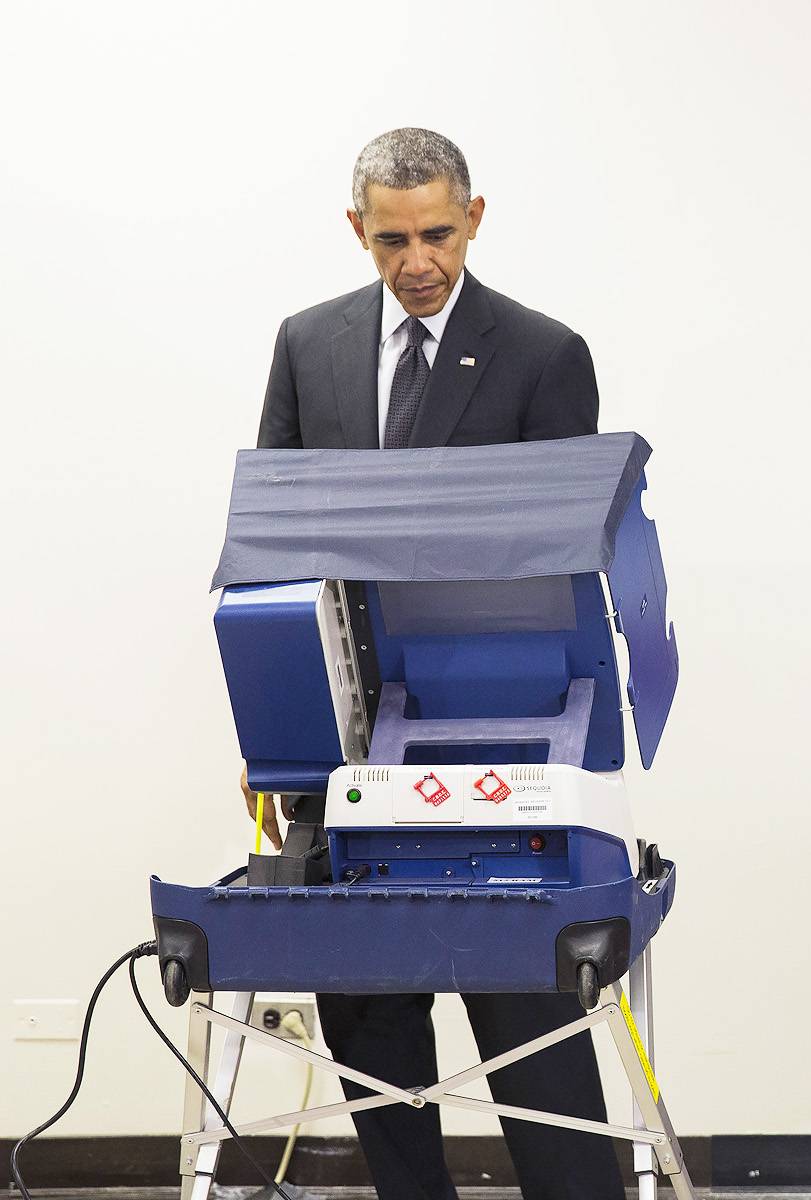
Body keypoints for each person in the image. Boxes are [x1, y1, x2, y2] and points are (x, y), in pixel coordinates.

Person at [238, 128, 621, 1200]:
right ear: (357, 230)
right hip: (342, 736)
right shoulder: (307, 345)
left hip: (488, 738)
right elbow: (274, 549)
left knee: (524, 1007)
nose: (419, 261)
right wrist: (271, 742)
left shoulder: (545, 355)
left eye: (439, 234)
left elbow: (562, 571)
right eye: (394, 237)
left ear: (477, 218)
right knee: (364, 1005)